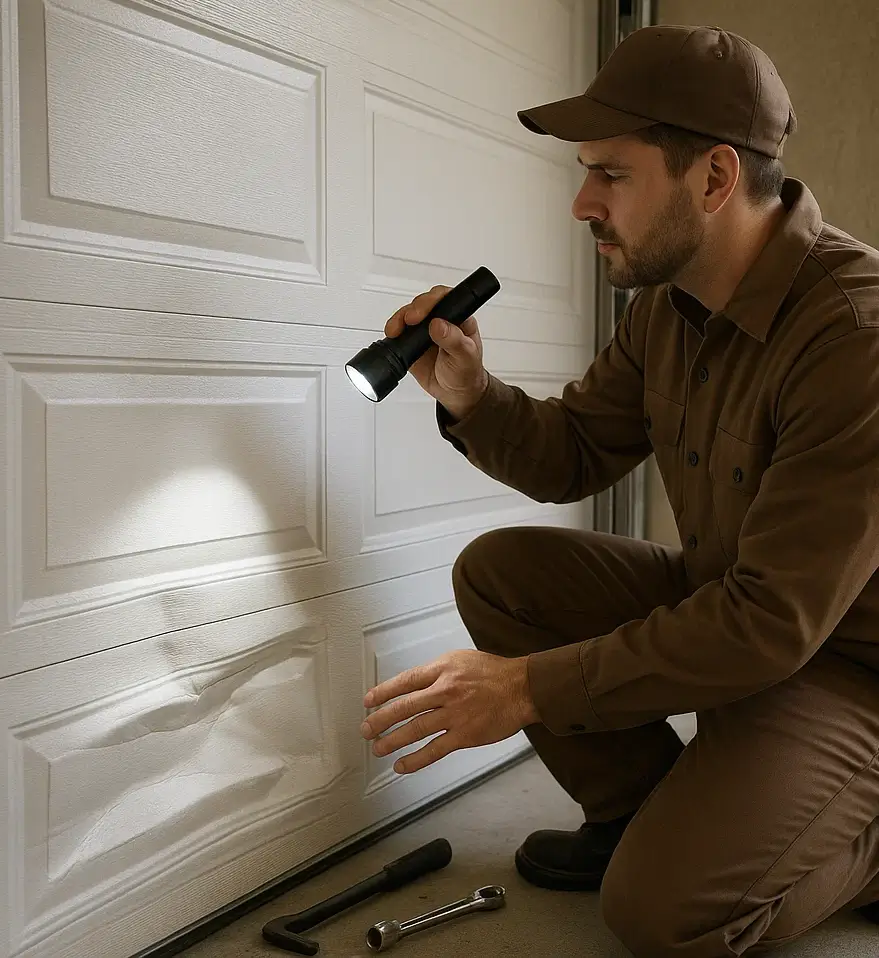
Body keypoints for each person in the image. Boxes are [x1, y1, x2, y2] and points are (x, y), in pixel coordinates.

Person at [359, 23, 879, 957]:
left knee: (664, 917)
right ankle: (640, 814)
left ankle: (860, 838)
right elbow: (570, 456)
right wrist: (471, 393)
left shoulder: (855, 339)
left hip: (847, 667)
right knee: (502, 572)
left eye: (610, 174)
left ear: (713, 179)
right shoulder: (667, 310)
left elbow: (773, 623)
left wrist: (526, 687)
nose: (580, 203)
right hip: (734, 602)